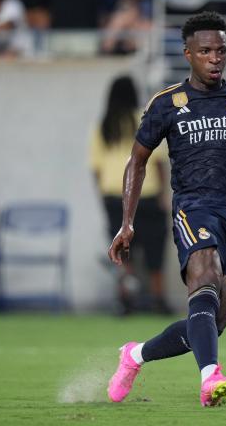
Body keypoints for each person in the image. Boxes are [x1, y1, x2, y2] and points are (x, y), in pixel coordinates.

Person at [106, 11, 226, 407]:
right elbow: (137, 161)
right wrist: (126, 223)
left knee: (210, 324)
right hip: (194, 209)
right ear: (188, 54)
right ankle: (209, 378)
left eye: (221, 50)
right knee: (204, 280)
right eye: (205, 51)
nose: (215, 58)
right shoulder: (166, 104)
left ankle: (134, 355)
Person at [90, 74, 171, 315]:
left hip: (114, 196)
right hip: (146, 194)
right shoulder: (143, 120)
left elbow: (96, 168)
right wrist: (164, 192)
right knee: (155, 249)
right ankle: (158, 299)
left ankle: (125, 300)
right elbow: (157, 161)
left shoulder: (102, 126)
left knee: (123, 252)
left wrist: (103, 197)